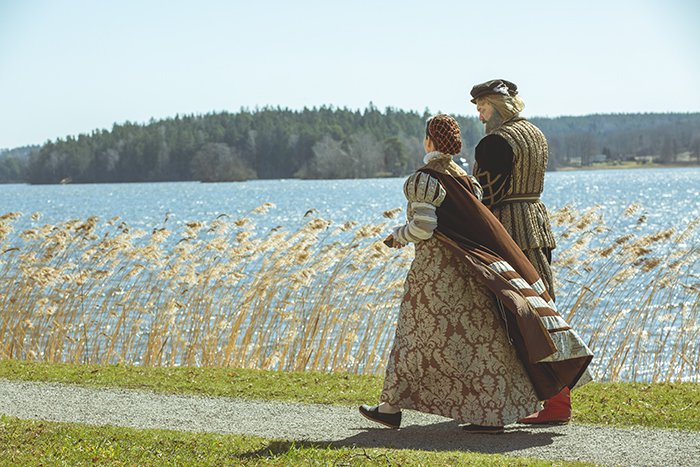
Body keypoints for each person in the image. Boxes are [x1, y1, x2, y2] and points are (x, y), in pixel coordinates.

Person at [359, 114, 592, 433]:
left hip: (435, 277)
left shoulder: (424, 179)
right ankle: (480, 412)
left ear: (429, 141)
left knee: (414, 340)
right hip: (472, 273)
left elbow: (425, 227)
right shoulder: (466, 180)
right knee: (479, 341)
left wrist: (398, 236)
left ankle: (392, 408)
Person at [469, 79, 572, 424]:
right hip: (537, 224)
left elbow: (486, 196)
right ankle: (554, 402)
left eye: (483, 108)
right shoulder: (536, 134)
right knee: (544, 310)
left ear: (497, 106)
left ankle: (543, 403)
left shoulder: (495, 142)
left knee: (514, 316)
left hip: (508, 229)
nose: (481, 117)